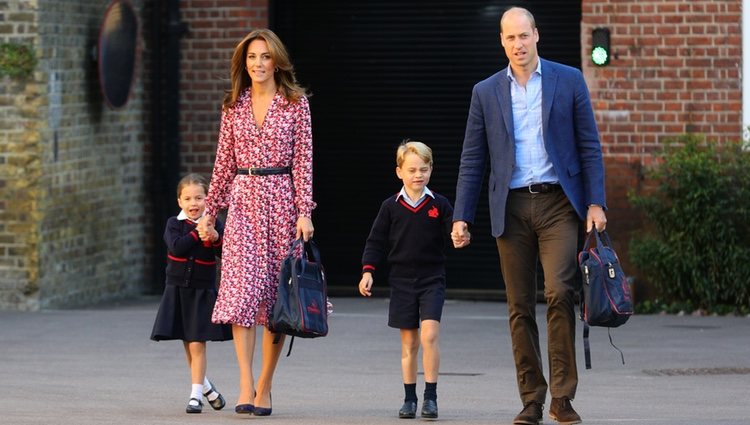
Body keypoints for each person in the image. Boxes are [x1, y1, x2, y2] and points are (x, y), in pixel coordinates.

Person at [451, 6, 607, 425]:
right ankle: (532, 399)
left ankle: (563, 396)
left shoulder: (568, 80)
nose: (518, 45)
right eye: (509, 38)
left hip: (559, 204)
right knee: (519, 305)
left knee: (559, 293)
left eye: (524, 36)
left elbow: (589, 145)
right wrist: (461, 215)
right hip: (512, 206)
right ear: (501, 42)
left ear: (536, 35)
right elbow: (472, 158)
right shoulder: (485, 92)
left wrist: (596, 202)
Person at [196, 28, 315, 417]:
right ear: (243, 63)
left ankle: (265, 383)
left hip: (281, 201)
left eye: (265, 57)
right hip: (244, 203)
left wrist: (304, 212)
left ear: (276, 61)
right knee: (240, 295)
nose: (258, 64)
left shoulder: (296, 104)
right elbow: (222, 164)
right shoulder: (233, 106)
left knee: (275, 301)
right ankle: (245, 383)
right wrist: (209, 211)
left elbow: (303, 163)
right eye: (251, 57)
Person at [358, 140, 454, 420]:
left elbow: (454, 232)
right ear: (399, 172)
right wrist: (368, 271)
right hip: (401, 281)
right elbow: (375, 241)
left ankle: (431, 398)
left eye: (423, 169)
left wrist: (460, 234)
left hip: (432, 278)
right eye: (411, 169)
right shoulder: (391, 207)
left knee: (430, 335)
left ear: (431, 170)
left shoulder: (440, 204)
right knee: (410, 343)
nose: (418, 175)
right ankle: (410, 398)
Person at [150, 173, 233, 414]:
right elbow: (177, 246)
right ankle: (208, 389)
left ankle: (195, 396)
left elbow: (225, 253)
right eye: (188, 198)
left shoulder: (215, 223)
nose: (194, 203)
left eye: (199, 197)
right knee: (189, 343)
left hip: (202, 290)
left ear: (208, 199)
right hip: (177, 289)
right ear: (179, 202)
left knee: (197, 343)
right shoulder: (173, 224)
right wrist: (198, 232)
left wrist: (216, 237)